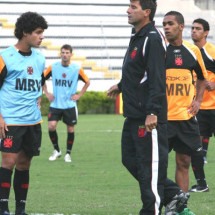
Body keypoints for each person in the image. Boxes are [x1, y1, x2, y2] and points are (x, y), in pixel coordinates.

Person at [107, 1, 190, 214]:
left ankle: (151, 210)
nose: (128, 10)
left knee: (150, 169)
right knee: (130, 160)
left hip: (148, 117)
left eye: (133, 7)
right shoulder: (138, 36)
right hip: (133, 115)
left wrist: (153, 111)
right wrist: (120, 86)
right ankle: (173, 193)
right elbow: (137, 72)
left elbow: (156, 77)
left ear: (146, 12)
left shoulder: (152, 38)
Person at [0, 12, 48, 215]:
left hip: (33, 122)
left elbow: (39, 83)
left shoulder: (40, 58)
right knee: (8, 162)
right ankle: (3, 208)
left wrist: (38, 97)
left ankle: (21, 209)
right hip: (11, 121)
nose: (41, 37)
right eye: (38, 33)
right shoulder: (5, 57)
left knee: (24, 164)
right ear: (25, 33)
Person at [162, 11, 208, 194]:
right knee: (158, 165)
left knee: (184, 162)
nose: (166, 27)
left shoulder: (193, 51)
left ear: (181, 27)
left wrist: (198, 100)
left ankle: (180, 206)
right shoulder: (159, 50)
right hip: (162, 119)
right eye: (164, 24)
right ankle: (160, 204)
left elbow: (203, 79)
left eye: (170, 23)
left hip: (186, 118)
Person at [43, 44, 90, 163]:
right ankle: (57, 150)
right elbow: (41, 79)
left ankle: (68, 153)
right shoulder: (53, 67)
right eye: (63, 52)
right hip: (55, 104)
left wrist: (79, 95)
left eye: (67, 53)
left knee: (70, 129)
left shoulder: (76, 69)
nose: (65, 55)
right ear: (60, 54)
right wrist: (47, 93)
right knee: (51, 126)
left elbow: (87, 82)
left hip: (69, 105)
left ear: (71, 54)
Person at [188, 18, 215, 192]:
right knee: (195, 148)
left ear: (206, 32)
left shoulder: (212, 51)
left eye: (198, 29)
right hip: (199, 108)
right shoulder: (188, 51)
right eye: (192, 28)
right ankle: (201, 184)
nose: (193, 31)